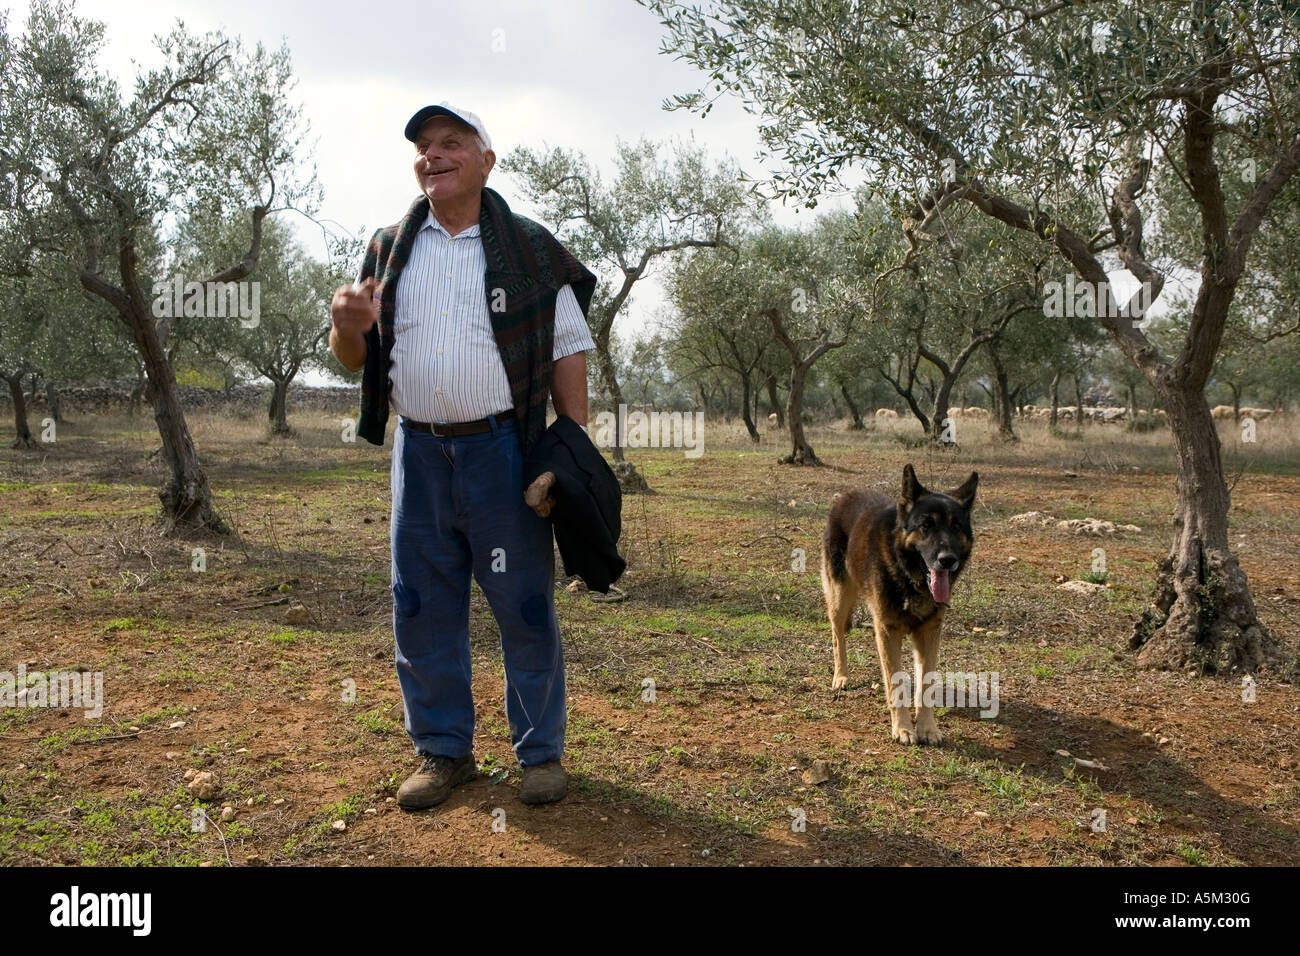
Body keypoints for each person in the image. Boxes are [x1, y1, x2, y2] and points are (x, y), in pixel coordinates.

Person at [329, 103, 596, 808]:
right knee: (420, 605)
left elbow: (569, 348)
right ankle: (443, 754)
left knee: (524, 604)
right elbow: (355, 356)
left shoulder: (531, 249)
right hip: (418, 454)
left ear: (486, 161)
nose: (432, 154)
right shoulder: (389, 250)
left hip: (504, 453)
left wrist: (566, 454)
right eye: (422, 146)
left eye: (451, 142)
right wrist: (345, 328)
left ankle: (540, 753)